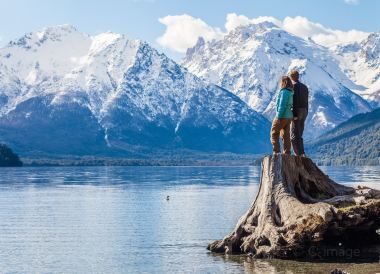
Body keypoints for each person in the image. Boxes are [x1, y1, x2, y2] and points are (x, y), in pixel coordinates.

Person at [270, 76, 294, 154]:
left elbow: (282, 104)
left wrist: (279, 116)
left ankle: (276, 152)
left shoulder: (284, 92)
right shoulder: (291, 92)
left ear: (284, 82)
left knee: (274, 133)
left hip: (282, 116)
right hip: (289, 116)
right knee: (286, 135)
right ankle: (287, 152)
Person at [289, 70, 309, 157]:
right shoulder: (305, 87)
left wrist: (294, 115)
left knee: (293, 134)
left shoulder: (293, 86)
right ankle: (302, 153)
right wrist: (306, 112)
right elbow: (306, 101)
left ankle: (298, 155)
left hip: (298, 111)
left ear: (292, 77)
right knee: (299, 133)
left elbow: (295, 101)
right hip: (304, 111)